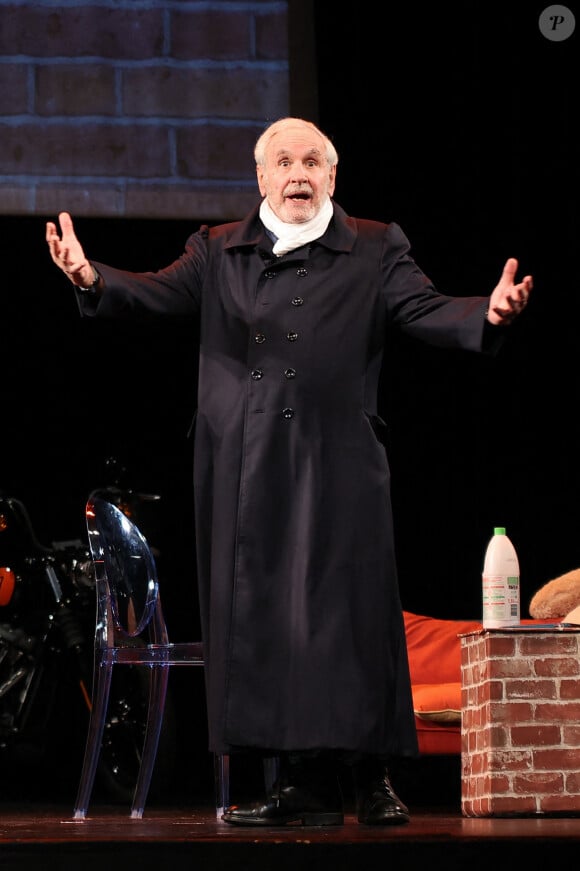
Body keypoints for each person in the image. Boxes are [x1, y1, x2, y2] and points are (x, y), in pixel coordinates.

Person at [46, 117, 532, 827]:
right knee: (274, 621)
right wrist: (91, 277)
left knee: (354, 617)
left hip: (340, 461)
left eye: (312, 161)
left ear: (332, 177)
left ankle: (370, 778)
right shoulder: (218, 249)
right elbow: (153, 292)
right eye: (284, 161)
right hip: (249, 469)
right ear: (262, 177)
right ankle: (299, 783)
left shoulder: (372, 244)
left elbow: (425, 309)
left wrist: (486, 313)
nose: (298, 173)